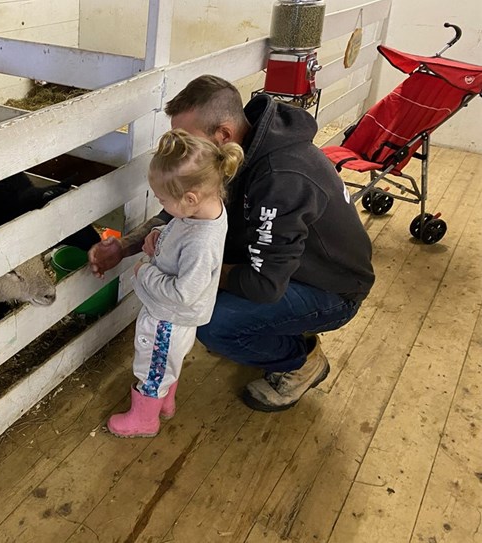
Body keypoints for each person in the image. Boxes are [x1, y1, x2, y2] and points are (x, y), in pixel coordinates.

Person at [90, 75, 375, 413]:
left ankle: (301, 361)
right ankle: (272, 331)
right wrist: (123, 246)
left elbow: (264, 285)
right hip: (284, 265)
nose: (182, 149)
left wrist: (197, 275)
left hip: (330, 288)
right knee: (206, 300)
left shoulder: (280, 180)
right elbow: (182, 211)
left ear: (223, 134)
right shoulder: (231, 149)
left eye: (187, 137)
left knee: (214, 324)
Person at [107, 129, 243, 438]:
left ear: (190, 198)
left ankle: (145, 420)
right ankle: (165, 403)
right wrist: (160, 235)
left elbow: (183, 293)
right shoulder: (205, 212)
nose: (161, 204)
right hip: (175, 319)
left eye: (163, 200)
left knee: (152, 367)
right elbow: (181, 231)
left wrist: (144, 273)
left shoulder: (201, 243)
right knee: (168, 361)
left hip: (168, 318)